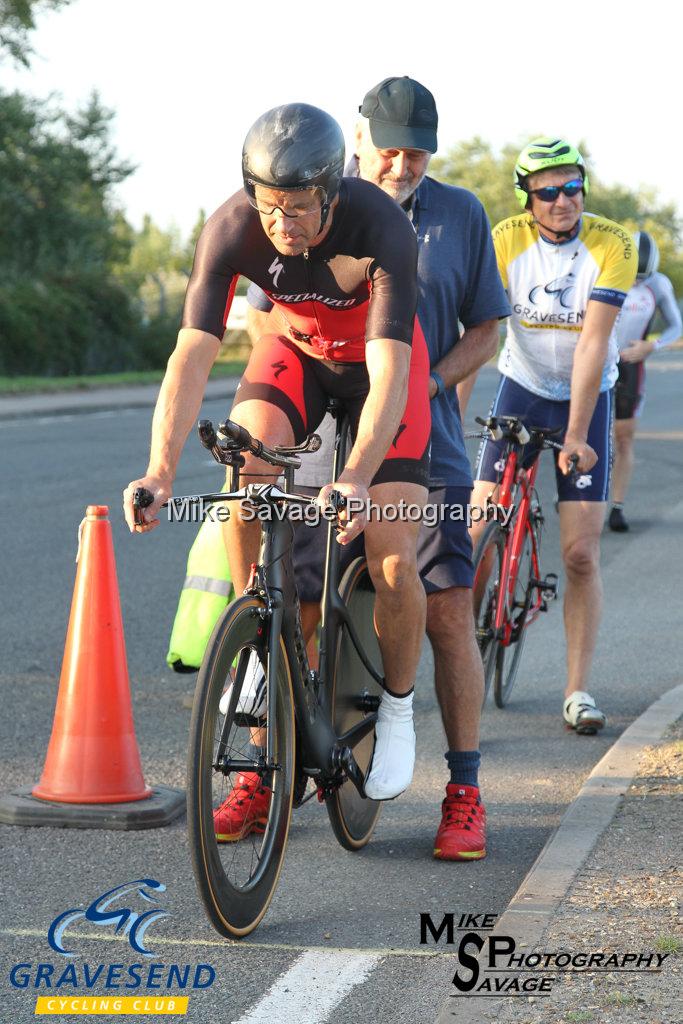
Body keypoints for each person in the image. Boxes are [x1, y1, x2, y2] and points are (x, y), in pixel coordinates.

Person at [123, 102, 431, 814]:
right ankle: (259, 644)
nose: (281, 225)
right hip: (297, 355)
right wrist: (160, 471)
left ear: (331, 194)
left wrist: (354, 478)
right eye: (269, 208)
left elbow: (388, 376)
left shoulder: (379, 227)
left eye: (297, 209)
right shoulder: (231, 225)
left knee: (389, 555)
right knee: (245, 466)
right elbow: (190, 356)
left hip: (378, 371)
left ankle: (397, 711)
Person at [245, 76, 510, 861]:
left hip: (426, 437)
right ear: (358, 143)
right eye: (389, 146)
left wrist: (426, 384)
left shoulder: (458, 213)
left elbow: (486, 328)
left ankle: (463, 791)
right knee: (291, 595)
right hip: (325, 432)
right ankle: (258, 773)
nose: (402, 162)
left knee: (445, 609)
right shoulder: (310, 198)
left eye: (417, 149)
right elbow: (264, 315)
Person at [470, 137, 637, 735]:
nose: (563, 200)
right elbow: (480, 331)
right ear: (528, 197)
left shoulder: (613, 243)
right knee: (475, 530)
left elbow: (594, 342)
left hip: (584, 398)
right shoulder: (504, 240)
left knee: (580, 555)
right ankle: (460, 654)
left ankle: (577, 691)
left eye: (573, 188)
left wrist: (574, 435)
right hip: (522, 385)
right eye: (549, 192)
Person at [609, 230, 682, 531]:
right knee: (584, 433)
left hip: (630, 366)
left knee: (624, 437)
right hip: (596, 362)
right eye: (633, 276)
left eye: (643, 277)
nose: (637, 283)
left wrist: (650, 346)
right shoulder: (605, 271)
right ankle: (576, 492)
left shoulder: (659, 284)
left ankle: (616, 506)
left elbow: (675, 327)